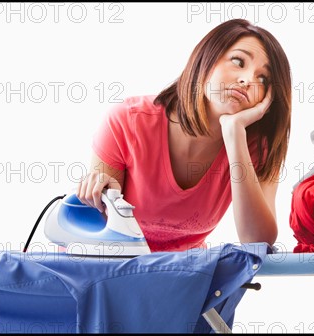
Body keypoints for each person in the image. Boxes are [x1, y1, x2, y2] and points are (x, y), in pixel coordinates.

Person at [76, 19, 292, 252]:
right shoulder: (128, 121)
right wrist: (95, 193)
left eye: (263, 79)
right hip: (111, 269)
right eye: (238, 61)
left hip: (181, 278)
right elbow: (101, 228)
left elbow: (257, 241)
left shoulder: (256, 148)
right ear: (206, 58)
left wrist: (234, 135)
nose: (248, 80)